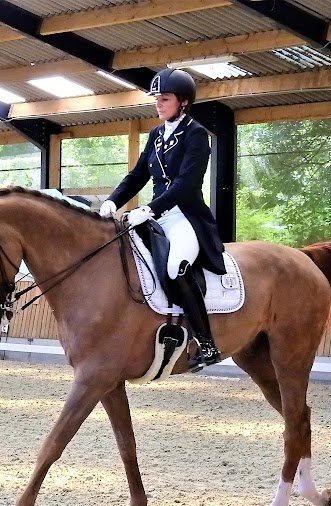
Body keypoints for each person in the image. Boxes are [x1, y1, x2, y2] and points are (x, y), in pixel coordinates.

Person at [99, 68, 226, 370]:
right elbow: (138, 175)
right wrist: (111, 201)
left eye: (164, 99)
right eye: (157, 98)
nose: (158, 104)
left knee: (176, 266)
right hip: (154, 216)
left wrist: (150, 209)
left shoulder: (196, 135)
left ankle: (206, 343)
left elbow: (186, 185)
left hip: (184, 216)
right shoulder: (156, 135)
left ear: (183, 102)